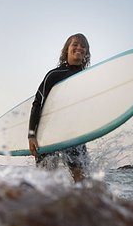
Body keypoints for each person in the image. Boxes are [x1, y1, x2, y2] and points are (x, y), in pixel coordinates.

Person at [28, 33, 91, 182]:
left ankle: (78, 204)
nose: (79, 48)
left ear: (86, 52)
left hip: (74, 135)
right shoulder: (54, 75)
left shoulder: (88, 77)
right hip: (48, 133)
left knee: (83, 181)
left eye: (83, 46)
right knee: (46, 181)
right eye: (75, 44)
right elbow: (37, 104)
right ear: (66, 49)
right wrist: (31, 135)